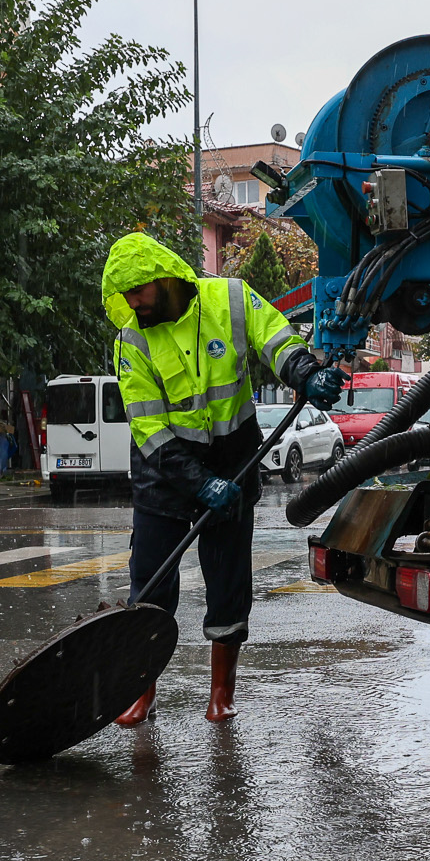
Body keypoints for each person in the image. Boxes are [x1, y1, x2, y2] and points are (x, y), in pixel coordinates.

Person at [101, 232, 343, 723]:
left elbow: (275, 339)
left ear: (164, 279)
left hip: (233, 459)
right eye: (124, 296)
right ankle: (141, 692)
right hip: (165, 473)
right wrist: (198, 482)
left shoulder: (229, 298)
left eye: (138, 292)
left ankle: (221, 694)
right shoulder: (132, 338)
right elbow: (147, 427)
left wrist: (303, 373)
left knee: (229, 583)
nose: (133, 304)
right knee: (150, 584)